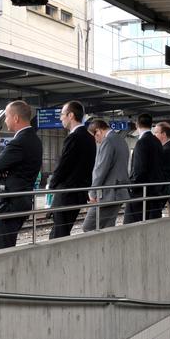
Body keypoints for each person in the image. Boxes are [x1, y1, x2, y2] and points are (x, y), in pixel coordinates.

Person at [0, 100, 42, 251]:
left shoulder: (19, 141)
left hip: (8, 204)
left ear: (16, 118)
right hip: (21, 200)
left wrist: (5, 171)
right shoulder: (35, 140)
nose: (5, 120)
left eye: (6, 116)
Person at [49, 100, 96, 238]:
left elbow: (63, 165)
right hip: (78, 193)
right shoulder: (90, 138)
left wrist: (52, 185)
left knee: (59, 234)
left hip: (66, 194)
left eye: (62, 114)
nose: (60, 118)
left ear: (70, 115)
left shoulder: (74, 137)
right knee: (62, 231)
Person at [82, 120, 130, 232]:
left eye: (94, 137)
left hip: (108, 194)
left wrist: (92, 193)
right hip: (119, 191)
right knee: (108, 228)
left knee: (88, 227)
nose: (96, 141)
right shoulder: (121, 140)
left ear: (98, 131)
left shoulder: (108, 141)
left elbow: (101, 169)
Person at [123, 113, 164, 223]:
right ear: (151, 125)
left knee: (130, 225)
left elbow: (139, 170)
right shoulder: (157, 142)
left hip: (140, 195)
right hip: (154, 192)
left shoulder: (141, 143)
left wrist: (132, 186)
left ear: (137, 125)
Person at [154, 122, 170, 214]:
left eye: (156, 132)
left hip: (164, 189)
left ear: (164, 134)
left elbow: (163, 172)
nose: (154, 135)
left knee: (154, 213)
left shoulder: (166, 150)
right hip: (168, 188)